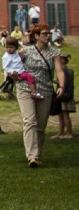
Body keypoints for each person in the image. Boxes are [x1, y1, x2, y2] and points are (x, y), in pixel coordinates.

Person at [10, 24, 66, 167]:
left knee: (41, 126)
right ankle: (32, 156)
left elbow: (59, 71)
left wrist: (61, 86)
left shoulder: (54, 52)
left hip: (45, 91)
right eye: (45, 33)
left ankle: (37, 154)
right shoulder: (26, 51)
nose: (48, 36)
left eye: (49, 33)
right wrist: (14, 75)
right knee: (30, 121)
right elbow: (13, 66)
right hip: (25, 89)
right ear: (36, 36)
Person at [54, 55, 74, 139]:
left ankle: (69, 133)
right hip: (62, 96)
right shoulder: (67, 71)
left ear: (62, 61)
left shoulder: (66, 71)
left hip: (65, 96)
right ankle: (60, 133)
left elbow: (66, 85)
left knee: (65, 115)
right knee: (61, 115)